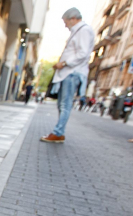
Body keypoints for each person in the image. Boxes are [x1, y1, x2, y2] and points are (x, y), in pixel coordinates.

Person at [40, 8, 94, 143]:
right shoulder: (78, 32)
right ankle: (59, 132)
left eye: (65, 22)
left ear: (73, 18)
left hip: (72, 72)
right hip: (68, 73)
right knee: (62, 104)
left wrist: (63, 63)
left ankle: (58, 132)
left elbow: (82, 54)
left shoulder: (84, 31)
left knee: (65, 104)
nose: (65, 25)